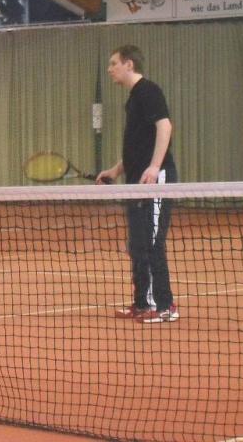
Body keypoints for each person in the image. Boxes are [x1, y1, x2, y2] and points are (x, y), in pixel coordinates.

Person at [96, 45, 179, 323]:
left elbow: (165, 127)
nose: (110, 69)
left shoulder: (148, 91)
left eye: (114, 63)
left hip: (155, 180)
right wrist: (115, 170)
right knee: (138, 244)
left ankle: (165, 307)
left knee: (152, 242)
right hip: (136, 183)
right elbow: (136, 146)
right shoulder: (133, 99)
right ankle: (143, 303)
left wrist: (155, 167)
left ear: (129, 64)